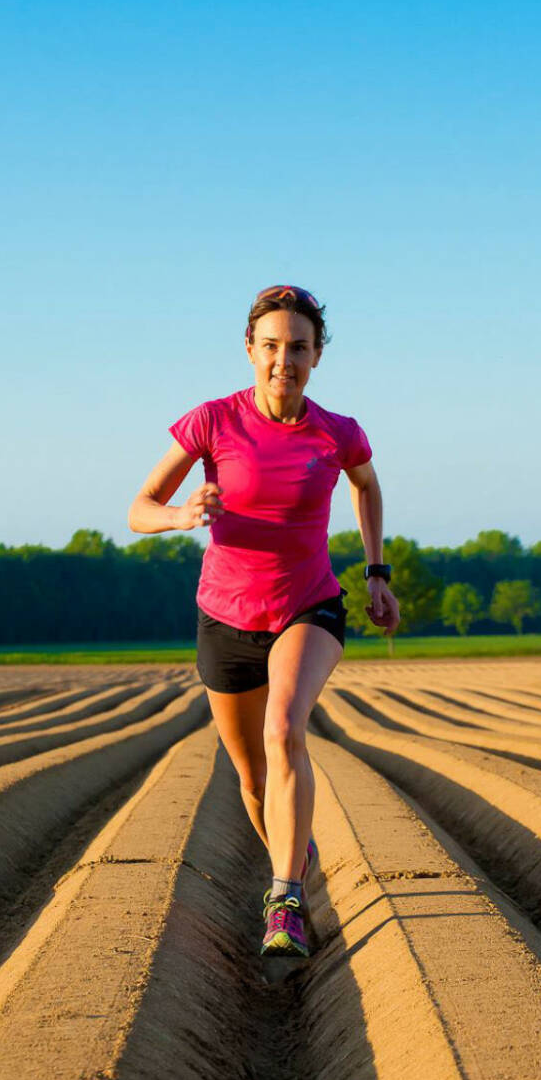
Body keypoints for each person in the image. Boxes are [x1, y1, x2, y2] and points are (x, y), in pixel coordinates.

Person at [128, 285, 400, 957]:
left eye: (299, 348)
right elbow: (139, 507)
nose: (285, 359)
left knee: (285, 731)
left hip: (307, 605)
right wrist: (182, 516)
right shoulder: (212, 422)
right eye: (272, 346)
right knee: (252, 779)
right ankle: (294, 853)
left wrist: (375, 571)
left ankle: (285, 899)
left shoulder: (338, 432)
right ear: (250, 350)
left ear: (317, 355)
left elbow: (367, 485)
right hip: (225, 619)